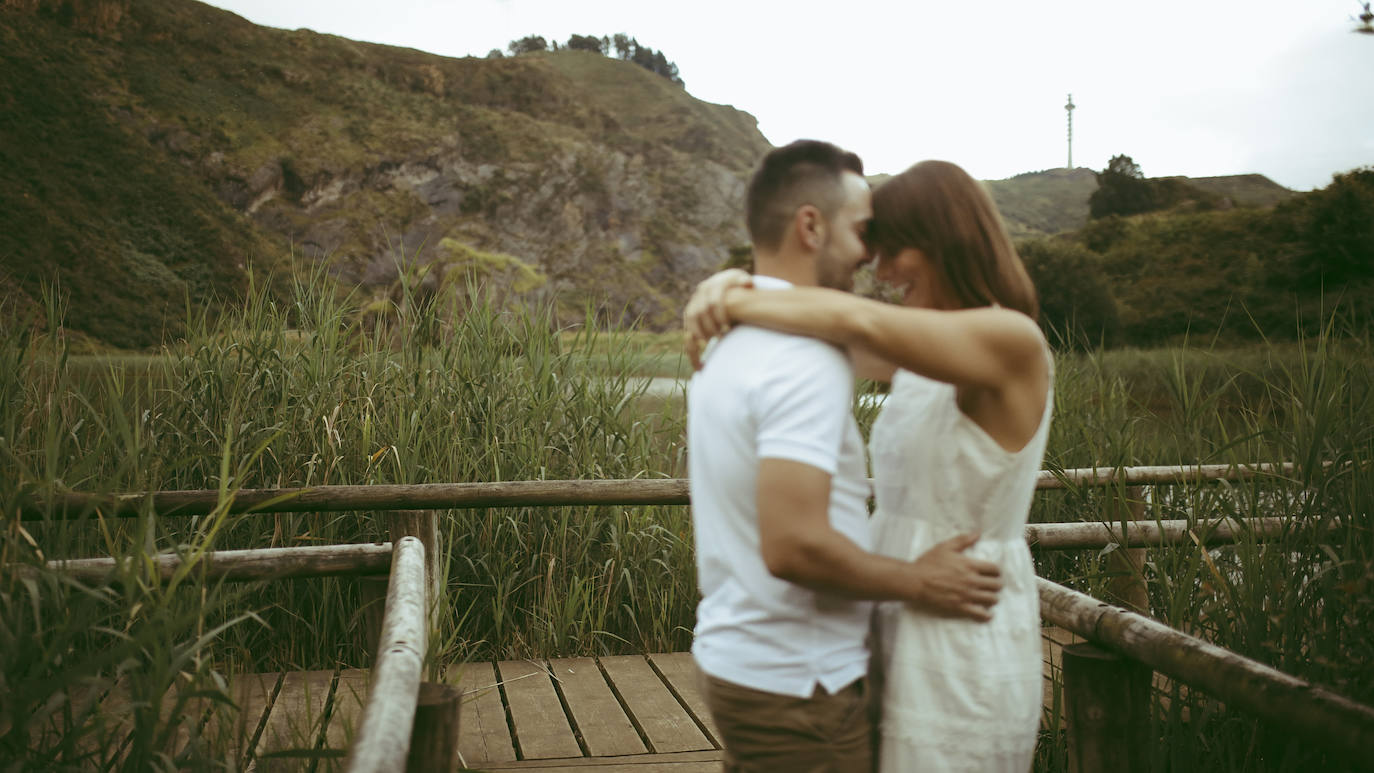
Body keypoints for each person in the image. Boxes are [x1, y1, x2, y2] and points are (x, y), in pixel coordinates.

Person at [686, 158, 1052, 772]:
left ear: (943, 240)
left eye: (894, 251)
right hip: (895, 613)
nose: (879, 272)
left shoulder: (1011, 340)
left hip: (961, 610)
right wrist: (722, 287)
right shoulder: (918, 351)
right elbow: (826, 329)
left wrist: (735, 294)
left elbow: (850, 318)